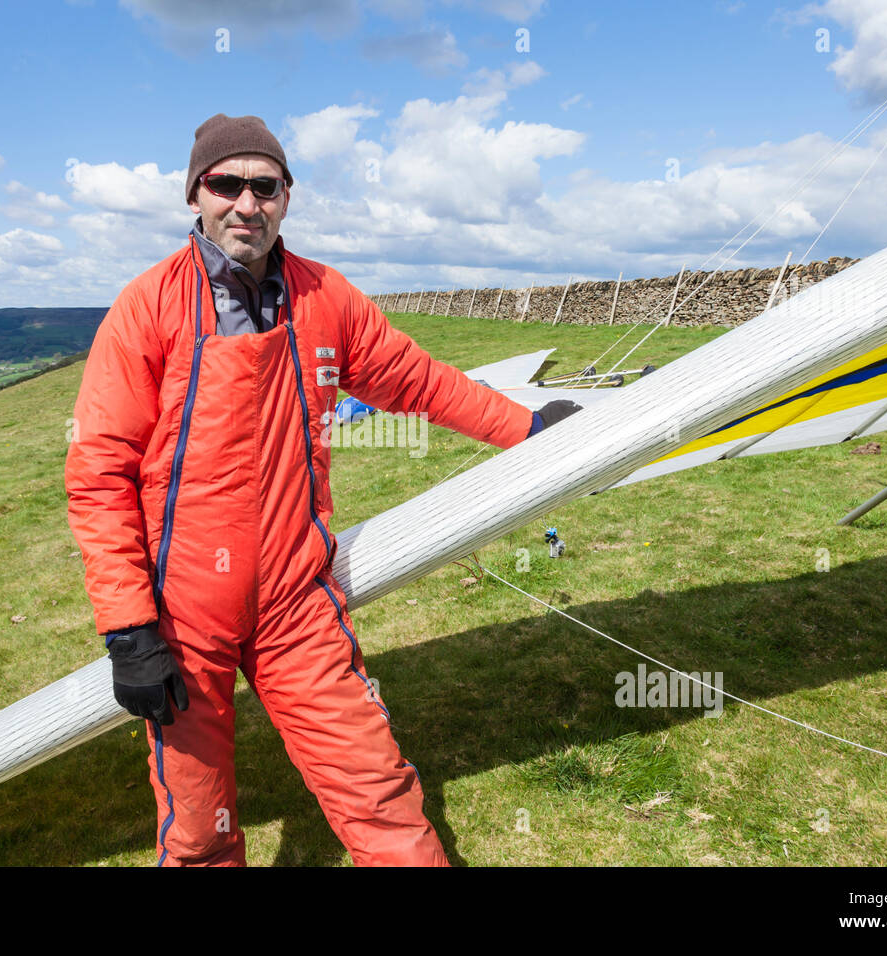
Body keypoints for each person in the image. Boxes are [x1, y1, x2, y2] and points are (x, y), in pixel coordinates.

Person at [65, 113, 579, 867]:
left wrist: (526, 428)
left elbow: (418, 380)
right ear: (195, 195)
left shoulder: (324, 297)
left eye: (265, 186)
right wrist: (128, 628)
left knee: (378, 791)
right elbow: (100, 474)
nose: (247, 203)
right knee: (197, 830)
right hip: (180, 615)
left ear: (286, 197)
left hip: (294, 602)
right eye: (227, 184)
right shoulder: (147, 309)